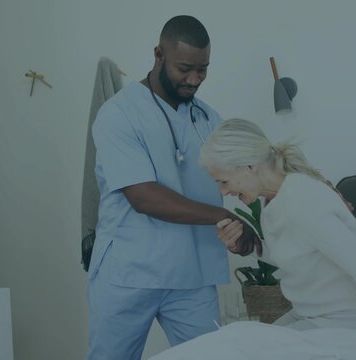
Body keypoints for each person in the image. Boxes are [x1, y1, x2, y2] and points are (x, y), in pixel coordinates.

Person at [87, 16, 260, 360]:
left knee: (213, 356)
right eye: (185, 68)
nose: (194, 79)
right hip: (130, 272)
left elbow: (252, 172)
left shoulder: (209, 120)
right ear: (158, 55)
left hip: (191, 275)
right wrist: (221, 215)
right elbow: (143, 197)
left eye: (203, 70)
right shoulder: (118, 114)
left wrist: (244, 232)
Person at [198, 118, 356, 334]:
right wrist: (250, 246)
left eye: (224, 181)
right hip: (311, 316)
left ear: (249, 166)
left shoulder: (304, 200)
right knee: (239, 341)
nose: (223, 193)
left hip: (344, 322)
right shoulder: (274, 200)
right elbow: (301, 255)